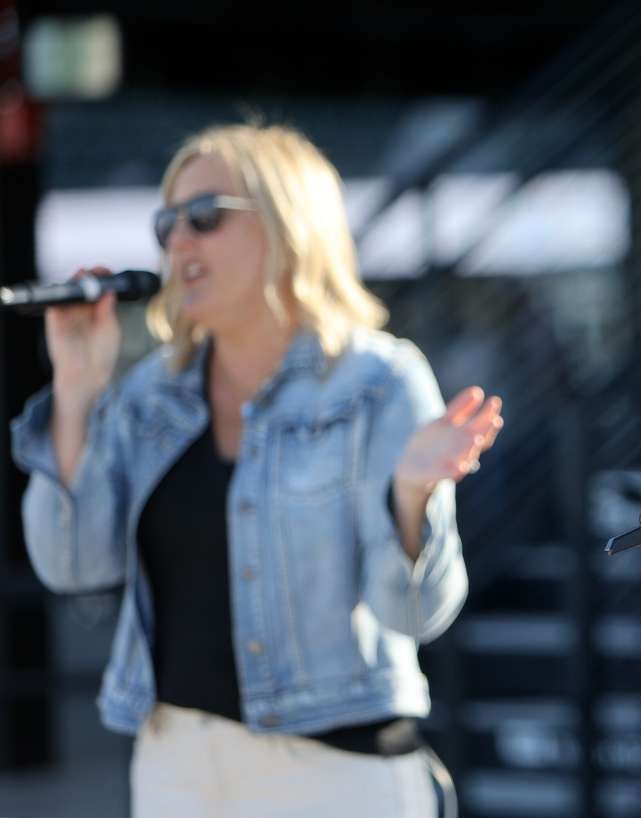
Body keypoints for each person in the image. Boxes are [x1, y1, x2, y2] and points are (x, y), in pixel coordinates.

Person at [9, 123, 502, 818]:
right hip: (173, 765)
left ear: (287, 225)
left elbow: (416, 613)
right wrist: (78, 387)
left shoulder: (376, 381)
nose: (179, 241)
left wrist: (411, 495)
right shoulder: (150, 394)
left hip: (336, 773)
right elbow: (71, 565)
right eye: (166, 222)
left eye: (205, 218)